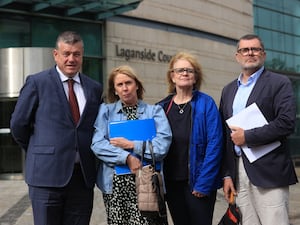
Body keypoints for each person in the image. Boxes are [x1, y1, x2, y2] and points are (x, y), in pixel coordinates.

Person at [10, 31, 103, 225]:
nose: (71, 59)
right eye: (66, 53)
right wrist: (39, 149)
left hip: (82, 178)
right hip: (46, 177)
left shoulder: (94, 88)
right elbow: (18, 125)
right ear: (55, 54)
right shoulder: (37, 82)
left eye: (76, 54)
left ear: (82, 56)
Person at [219, 34, 298, 225]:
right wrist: (227, 174)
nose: (250, 53)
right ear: (237, 56)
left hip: (269, 168)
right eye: (245, 50)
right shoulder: (228, 90)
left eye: (255, 49)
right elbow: (224, 134)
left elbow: (286, 123)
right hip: (238, 170)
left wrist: (247, 136)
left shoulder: (279, 83)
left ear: (263, 54)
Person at [91, 65, 172, 225]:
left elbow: (162, 147)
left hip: (146, 186)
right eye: (119, 85)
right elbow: (98, 144)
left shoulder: (154, 112)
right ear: (114, 90)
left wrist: (131, 145)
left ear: (137, 85)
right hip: (115, 188)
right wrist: (126, 157)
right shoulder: (106, 112)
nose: (125, 88)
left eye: (128, 83)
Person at [157, 52, 223, 225]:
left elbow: (215, 144)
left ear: (195, 77)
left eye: (189, 70)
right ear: (172, 76)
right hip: (171, 184)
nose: (184, 73)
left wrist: (204, 183)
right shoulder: (161, 107)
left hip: (197, 182)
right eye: (179, 70)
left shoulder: (206, 103)